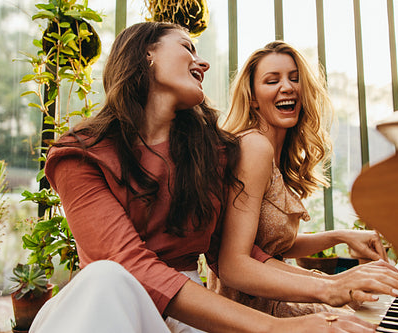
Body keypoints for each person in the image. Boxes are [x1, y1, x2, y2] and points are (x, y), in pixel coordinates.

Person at [29, 22, 377, 333]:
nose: (204, 62)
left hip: (188, 312)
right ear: (147, 54)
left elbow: (237, 255)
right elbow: (128, 263)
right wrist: (274, 327)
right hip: (110, 306)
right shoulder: (80, 153)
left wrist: (331, 286)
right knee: (105, 278)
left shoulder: (213, 152)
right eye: (186, 47)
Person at [207, 41, 398, 318]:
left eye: (295, 78)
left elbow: (269, 245)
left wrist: (341, 235)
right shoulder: (255, 147)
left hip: (270, 297)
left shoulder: (273, 154)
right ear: (253, 98)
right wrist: (333, 284)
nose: (288, 87)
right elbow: (234, 264)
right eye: (272, 80)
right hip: (252, 310)